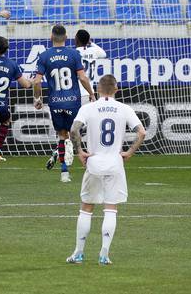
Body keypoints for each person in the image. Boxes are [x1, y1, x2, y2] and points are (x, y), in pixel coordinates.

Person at [66, 74, 146, 265]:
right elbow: (141, 132)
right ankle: (104, 254)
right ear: (116, 89)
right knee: (111, 208)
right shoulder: (124, 108)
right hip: (115, 164)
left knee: (86, 208)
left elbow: (74, 130)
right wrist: (130, 152)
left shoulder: (88, 108)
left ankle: (78, 253)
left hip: (93, 163)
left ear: (98, 89)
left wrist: (80, 151)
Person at [32, 25, 95, 183]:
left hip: (55, 102)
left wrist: (37, 98)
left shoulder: (44, 56)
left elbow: (37, 81)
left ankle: (64, 173)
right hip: (73, 101)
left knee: (62, 136)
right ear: (66, 37)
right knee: (75, 133)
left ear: (51, 37)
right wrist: (92, 94)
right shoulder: (74, 54)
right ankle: (85, 163)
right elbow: (82, 78)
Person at [46, 29, 107, 170]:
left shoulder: (73, 54)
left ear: (76, 40)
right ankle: (89, 155)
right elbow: (103, 53)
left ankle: (59, 151)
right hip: (88, 93)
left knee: (68, 130)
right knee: (81, 129)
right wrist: (91, 43)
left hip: (73, 95)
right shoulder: (94, 52)